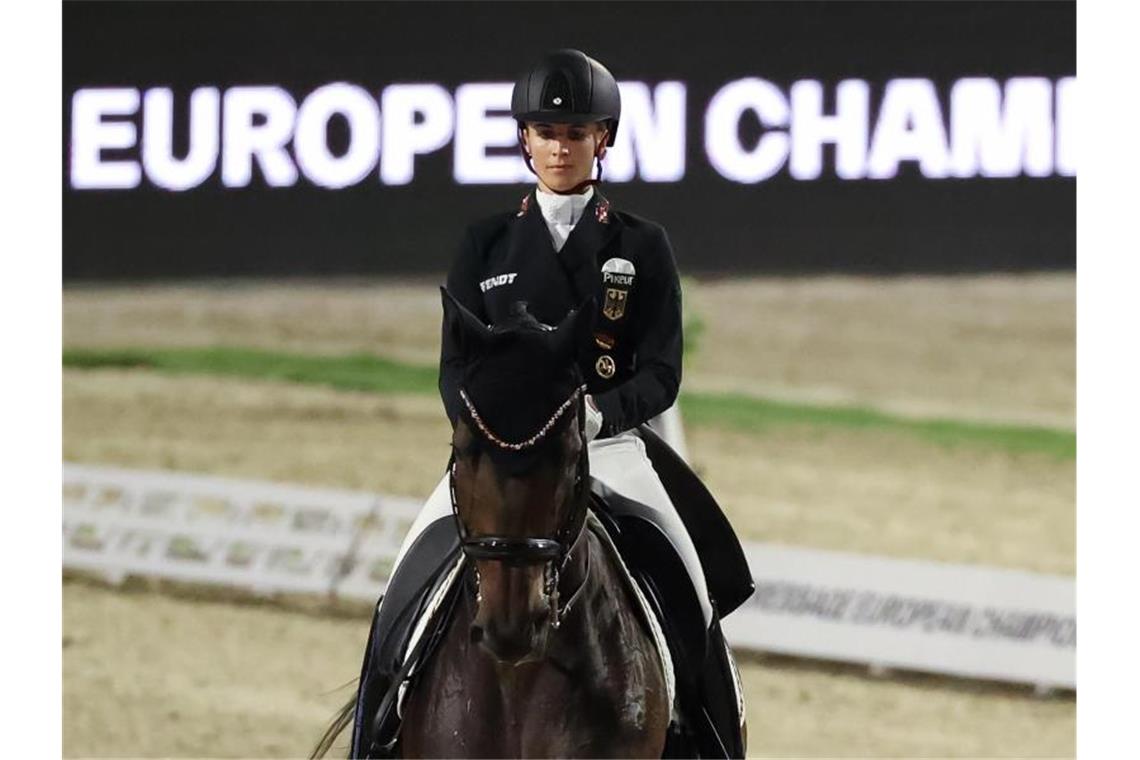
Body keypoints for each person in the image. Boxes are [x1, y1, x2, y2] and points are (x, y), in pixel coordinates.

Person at [351, 49, 751, 758]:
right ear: (524, 140)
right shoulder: (485, 245)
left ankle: (716, 734)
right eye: (545, 133)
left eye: (575, 134)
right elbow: (454, 368)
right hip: (498, 455)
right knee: (400, 592)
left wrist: (596, 415)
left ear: (604, 140)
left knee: (691, 584)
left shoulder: (641, 245)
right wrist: (484, 427)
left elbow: (662, 373)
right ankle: (374, 736)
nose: (559, 147)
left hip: (611, 448)